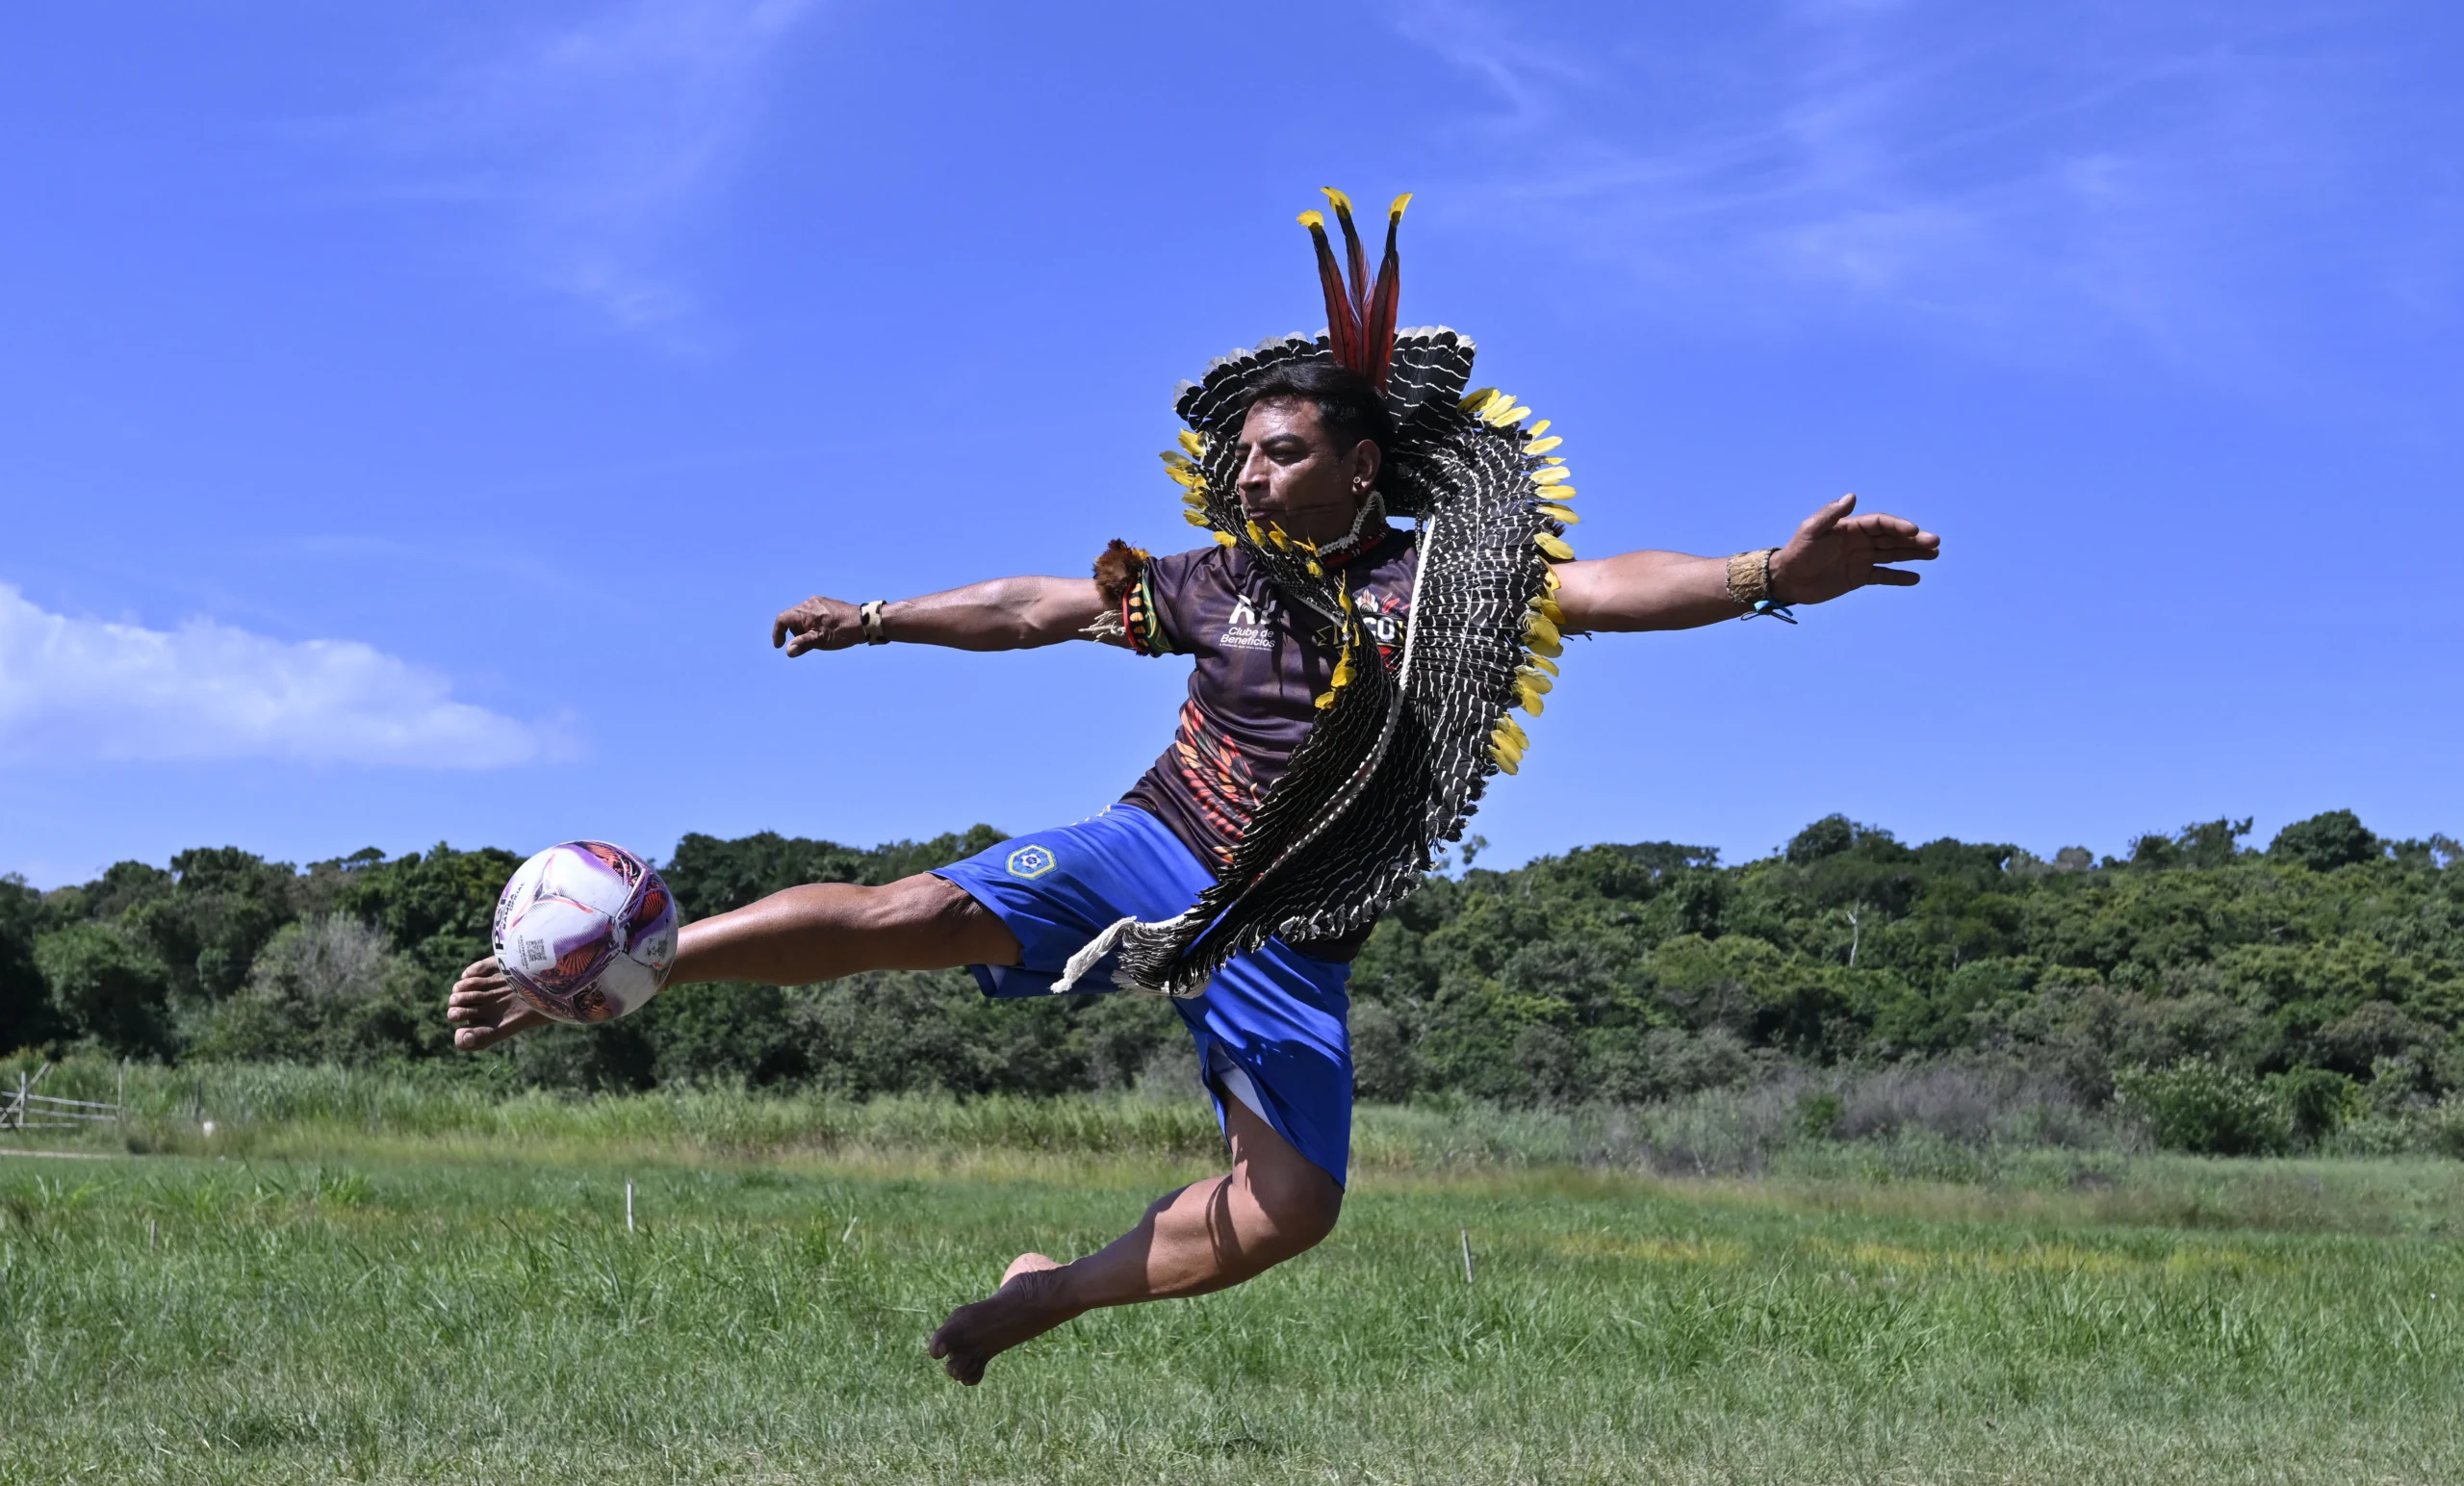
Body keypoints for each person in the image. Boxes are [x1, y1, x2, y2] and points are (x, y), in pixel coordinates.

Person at [446, 199, 1939, 1386]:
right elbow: (1041, 605)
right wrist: (883, 615)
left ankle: (1046, 1297)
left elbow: (1605, 586)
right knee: (913, 911)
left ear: (1363, 467)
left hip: (1285, 927)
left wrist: (1764, 577)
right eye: (1239, 457)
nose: (1249, 477)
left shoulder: (1448, 584)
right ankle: (614, 974)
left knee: (1292, 1211)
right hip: (1153, 843)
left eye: (1283, 454)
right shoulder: (1209, 581)